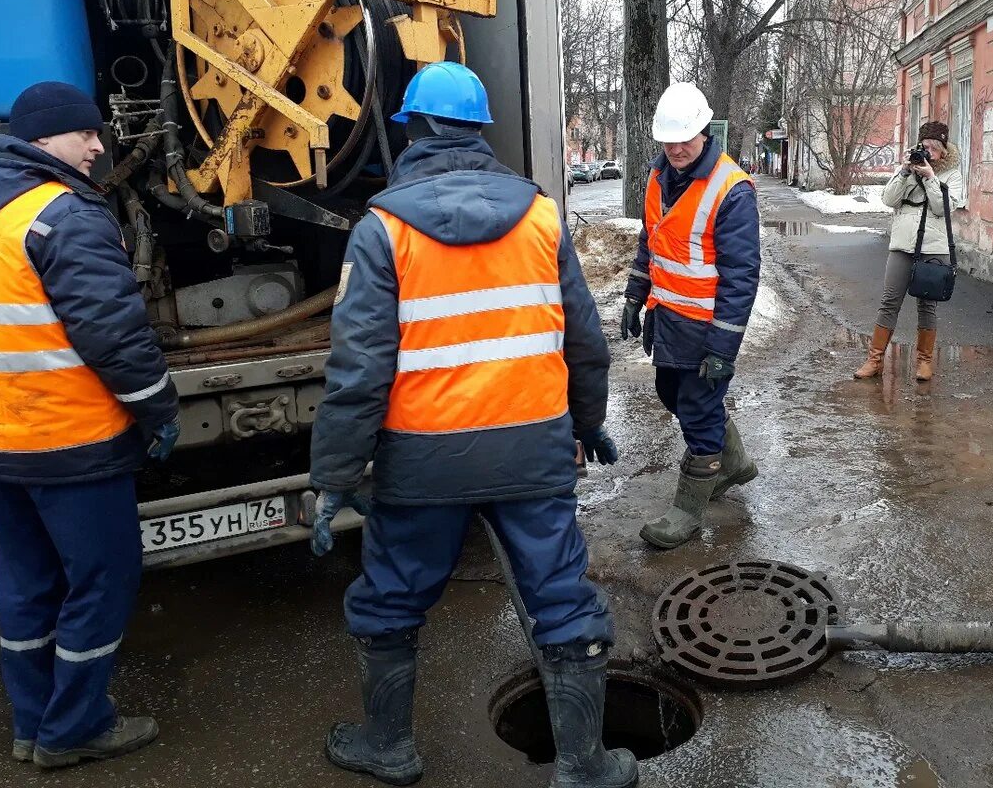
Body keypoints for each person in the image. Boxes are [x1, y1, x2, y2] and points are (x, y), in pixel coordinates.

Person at [309, 62, 635, 788]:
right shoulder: (542, 215)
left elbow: (358, 372)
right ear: (478, 131)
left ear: (415, 130)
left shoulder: (382, 229)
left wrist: (333, 476)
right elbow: (583, 337)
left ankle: (389, 747)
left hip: (422, 460)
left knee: (392, 595)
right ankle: (582, 767)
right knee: (559, 592)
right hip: (533, 449)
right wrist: (588, 421)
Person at [0, 82, 180, 769]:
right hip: (73, 442)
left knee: (28, 583)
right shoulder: (62, 215)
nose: (99, 147)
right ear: (44, 140)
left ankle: (33, 724)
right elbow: (116, 338)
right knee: (102, 581)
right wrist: (158, 408)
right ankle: (75, 730)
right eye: (87, 134)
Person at [620, 82, 761, 550]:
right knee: (671, 394)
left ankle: (687, 509)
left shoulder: (731, 190)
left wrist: (723, 349)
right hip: (668, 320)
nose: (677, 148)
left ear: (705, 132)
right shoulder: (658, 178)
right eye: (669, 138)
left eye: (686, 138)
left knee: (698, 413)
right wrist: (634, 297)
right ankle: (734, 463)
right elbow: (652, 243)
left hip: (705, 330)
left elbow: (741, 277)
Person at [855, 121, 964, 383]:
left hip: (933, 249)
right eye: (923, 147)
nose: (926, 153)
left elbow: (942, 208)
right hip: (902, 246)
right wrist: (904, 172)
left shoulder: (952, 175)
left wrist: (930, 178)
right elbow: (889, 199)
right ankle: (875, 359)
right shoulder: (908, 170)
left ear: (943, 152)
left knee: (927, 306)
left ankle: (924, 362)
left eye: (932, 149)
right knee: (889, 302)